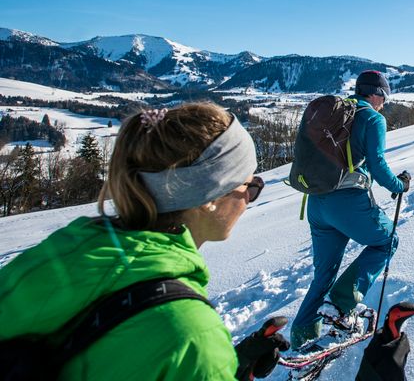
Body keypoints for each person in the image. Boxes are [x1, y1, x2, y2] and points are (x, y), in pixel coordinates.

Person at [0, 103, 289, 380]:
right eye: (249, 186)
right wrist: (213, 366)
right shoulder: (191, 335)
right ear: (210, 199)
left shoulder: (63, 251)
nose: (249, 199)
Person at [290, 70, 410, 348]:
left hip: (317, 203)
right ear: (377, 93)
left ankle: (302, 337)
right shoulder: (372, 118)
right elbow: (377, 164)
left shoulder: (333, 114)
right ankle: (341, 304)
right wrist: (399, 185)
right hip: (348, 203)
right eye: (385, 96)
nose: (384, 102)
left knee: (324, 274)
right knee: (387, 241)